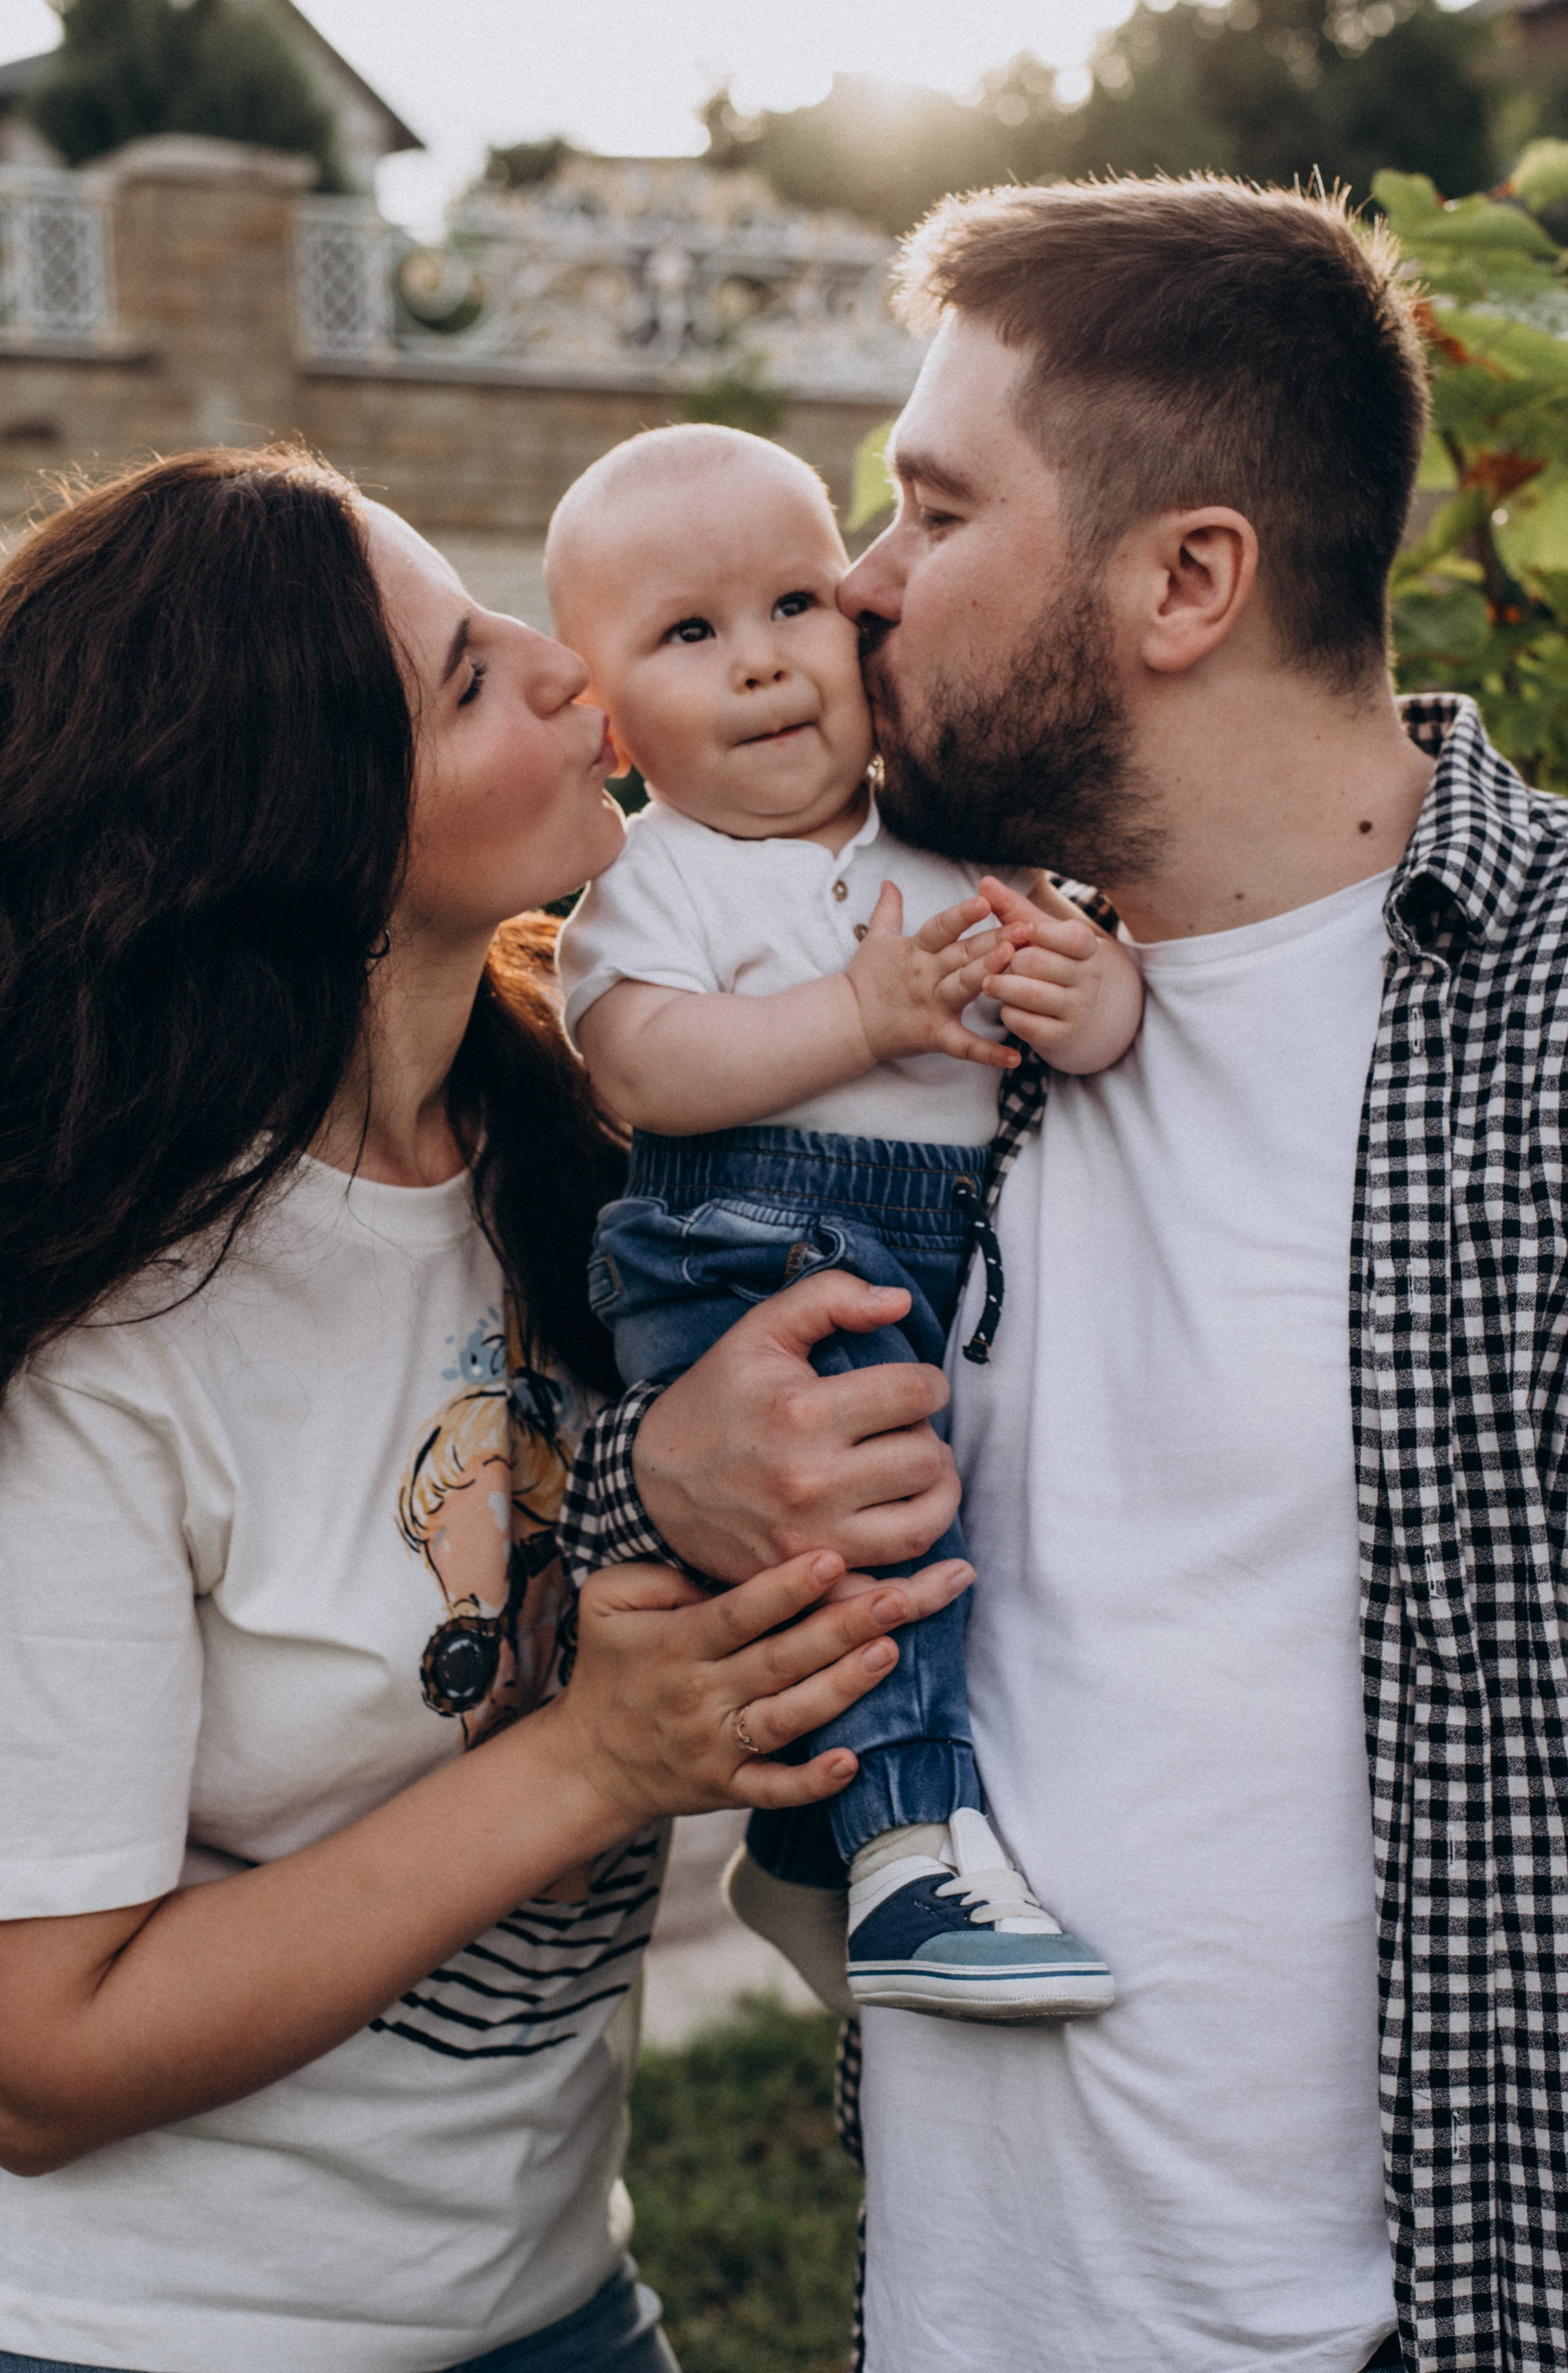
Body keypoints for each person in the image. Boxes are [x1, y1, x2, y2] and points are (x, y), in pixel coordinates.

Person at [556, 178, 1568, 2373]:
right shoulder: (908, 974)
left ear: (1187, 579)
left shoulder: (1543, 1022)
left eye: (931, 511)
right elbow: (638, 1429)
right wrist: (661, 1466)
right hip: (959, 2314)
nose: (858, 583)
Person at [0, 448, 966, 2373]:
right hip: (138, 2337)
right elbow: (29, 2058)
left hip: (560, 2299)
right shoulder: (108, 1333)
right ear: (314, 826)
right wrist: (593, 1765)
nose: (573, 669)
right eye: (471, 675)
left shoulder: (591, 1160)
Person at [546, 421, 1137, 2024]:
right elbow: (644, 1068)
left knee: (949, 1523)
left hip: (944, 1254)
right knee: (874, 1527)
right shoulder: (655, 876)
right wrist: (858, 1014)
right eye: (689, 631)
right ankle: (908, 1857)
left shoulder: (944, 840)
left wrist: (1089, 996)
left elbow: (1079, 991)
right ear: (608, 722)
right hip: (742, 1256)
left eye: (793, 604)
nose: (759, 663)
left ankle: (805, 1856)